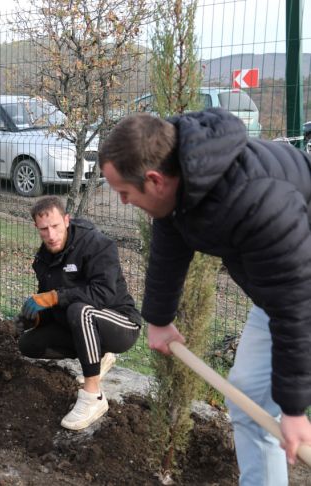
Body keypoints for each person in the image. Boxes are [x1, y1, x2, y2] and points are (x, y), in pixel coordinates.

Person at [99, 109, 311, 483]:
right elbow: (170, 238)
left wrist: (294, 410)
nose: (124, 202)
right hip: (283, 294)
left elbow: (296, 305)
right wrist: (160, 319)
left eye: (124, 193)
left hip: (299, 295)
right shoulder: (183, 175)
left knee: (275, 407)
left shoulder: (258, 200)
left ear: (154, 180)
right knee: (250, 404)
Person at [17, 196, 141, 430]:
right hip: (82, 323)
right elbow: (50, 302)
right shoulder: (43, 259)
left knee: (79, 310)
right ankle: (98, 356)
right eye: (44, 229)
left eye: (55, 226)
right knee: (28, 344)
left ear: (66, 220)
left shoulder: (97, 245)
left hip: (120, 321)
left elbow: (103, 293)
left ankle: (93, 397)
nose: (51, 235)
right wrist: (34, 317)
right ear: (36, 227)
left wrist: (55, 297)